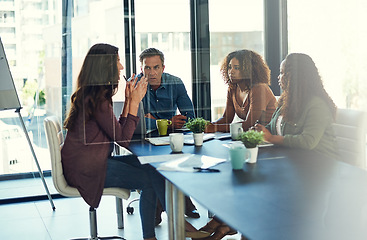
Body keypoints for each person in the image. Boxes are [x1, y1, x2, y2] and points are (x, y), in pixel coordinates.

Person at [61, 44, 208, 240]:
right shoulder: (97, 99)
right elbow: (123, 138)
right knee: (149, 179)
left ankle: (174, 226)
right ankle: (162, 232)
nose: (121, 67)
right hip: (87, 169)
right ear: (105, 66)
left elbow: (119, 132)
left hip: (90, 162)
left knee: (153, 168)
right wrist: (135, 103)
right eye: (117, 62)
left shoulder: (95, 94)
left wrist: (129, 100)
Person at [136, 48, 201, 222]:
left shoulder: (175, 83)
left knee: (178, 158)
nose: (151, 73)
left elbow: (191, 118)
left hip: (170, 138)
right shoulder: (135, 84)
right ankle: (178, 204)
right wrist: (165, 122)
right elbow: (133, 122)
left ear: (163, 67)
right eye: (147, 68)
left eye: (156, 67)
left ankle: (161, 206)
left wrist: (153, 120)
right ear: (141, 68)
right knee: (154, 165)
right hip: (144, 139)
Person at [255, 53, 338, 159]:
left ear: (294, 77)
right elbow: (273, 127)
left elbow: (307, 141)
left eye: (282, 73)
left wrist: (271, 138)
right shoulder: (286, 101)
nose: (278, 77)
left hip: (320, 162)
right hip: (293, 158)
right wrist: (260, 132)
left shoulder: (317, 105)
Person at [205, 49, 276, 133]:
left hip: (269, 136)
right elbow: (226, 119)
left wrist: (215, 128)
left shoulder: (259, 88)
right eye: (229, 67)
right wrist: (210, 125)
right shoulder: (232, 88)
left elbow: (248, 125)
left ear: (249, 70)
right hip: (251, 135)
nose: (231, 72)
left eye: (237, 68)